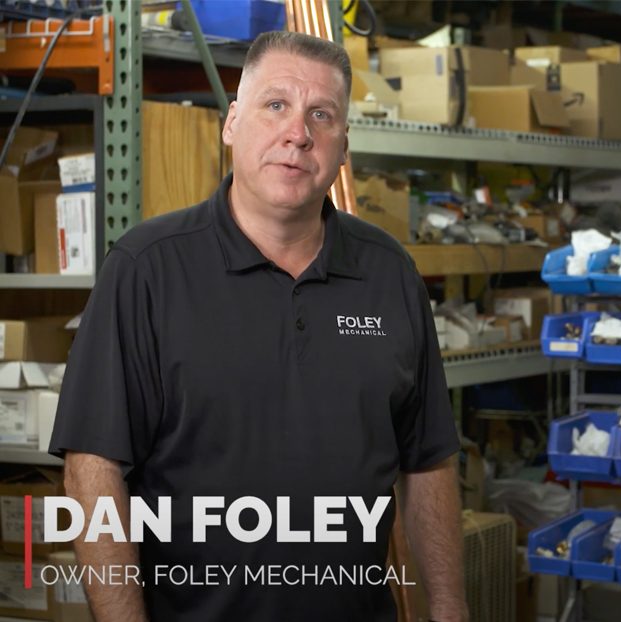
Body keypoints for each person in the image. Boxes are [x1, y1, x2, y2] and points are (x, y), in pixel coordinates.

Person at [50, 31, 467, 622]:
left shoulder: (389, 272)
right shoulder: (147, 269)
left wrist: (449, 608)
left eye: (321, 115)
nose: (297, 133)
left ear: (343, 146)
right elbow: (92, 469)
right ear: (232, 123)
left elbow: (428, 462)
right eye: (275, 105)